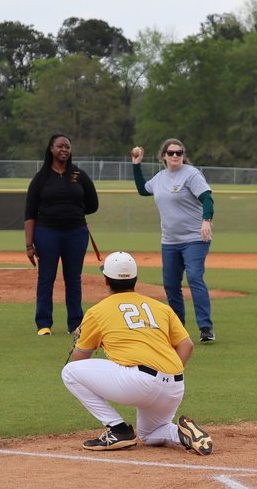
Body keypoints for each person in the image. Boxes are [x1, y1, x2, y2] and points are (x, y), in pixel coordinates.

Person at [61, 251, 213, 455]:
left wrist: (83, 337)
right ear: (136, 280)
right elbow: (187, 345)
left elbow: (79, 361)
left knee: (70, 372)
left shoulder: (97, 312)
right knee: (150, 434)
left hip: (139, 382)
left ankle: (118, 429)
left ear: (106, 280)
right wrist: (165, 377)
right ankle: (181, 434)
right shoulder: (161, 307)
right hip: (175, 384)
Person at [131, 140, 216, 342]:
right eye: (171, 152)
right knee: (170, 284)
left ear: (182, 155)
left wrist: (206, 221)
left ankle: (206, 327)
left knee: (194, 277)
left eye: (179, 152)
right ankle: (179, 328)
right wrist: (136, 165)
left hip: (195, 238)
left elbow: (207, 198)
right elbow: (144, 189)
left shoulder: (191, 174)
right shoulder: (160, 178)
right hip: (169, 240)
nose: (175, 156)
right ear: (164, 156)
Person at [24, 134, 99, 336]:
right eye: (60, 146)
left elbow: (93, 204)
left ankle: (75, 324)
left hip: (75, 233)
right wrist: (29, 245)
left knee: (73, 278)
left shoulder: (78, 175)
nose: (64, 150)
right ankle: (44, 323)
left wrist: (74, 209)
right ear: (51, 149)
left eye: (67, 146)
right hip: (47, 233)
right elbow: (30, 213)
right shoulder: (41, 178)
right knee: (46, 277)